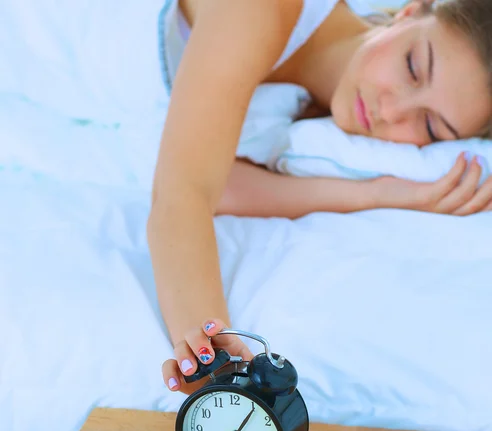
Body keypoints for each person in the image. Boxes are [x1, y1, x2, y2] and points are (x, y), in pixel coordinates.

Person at [147, 0, 492, 395]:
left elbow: (223, 185)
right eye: (413, 67)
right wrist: (211, 346)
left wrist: (377, 194)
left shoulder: (315, 110)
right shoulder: (256, 12)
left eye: (430, 125)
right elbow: (185, 192)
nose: (391, 110)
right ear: (409, 12)